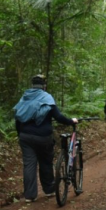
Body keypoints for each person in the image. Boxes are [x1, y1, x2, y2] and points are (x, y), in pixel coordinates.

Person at [13, 74, 78, 202]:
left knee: (29, 165)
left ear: (32, 85)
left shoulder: (25, 97)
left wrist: (20, 134)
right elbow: (58, 117)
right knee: (45, 162)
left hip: (25, 136)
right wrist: (71, 121)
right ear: (44, 86)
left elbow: (17, 118)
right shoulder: (47, 97)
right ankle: (49, 190)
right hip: (43, 137)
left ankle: (30, 196)